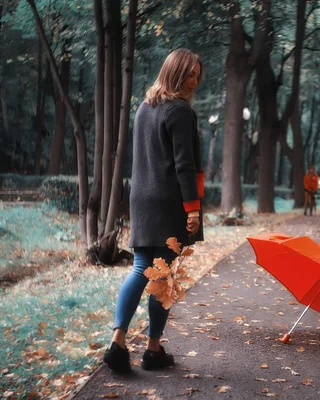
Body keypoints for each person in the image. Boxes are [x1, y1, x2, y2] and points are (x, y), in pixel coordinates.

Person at [103, 48, 204, 373]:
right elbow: (184, 166)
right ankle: (152, 349)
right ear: (176, 73)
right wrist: (192, 209)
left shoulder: (145, 108)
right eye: (190, 74)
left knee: (142, 267)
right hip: (169, 200)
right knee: (162, 275)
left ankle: (118, 342)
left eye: (198, 76)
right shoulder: (180, 111)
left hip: (142, 198)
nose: (195, 82)